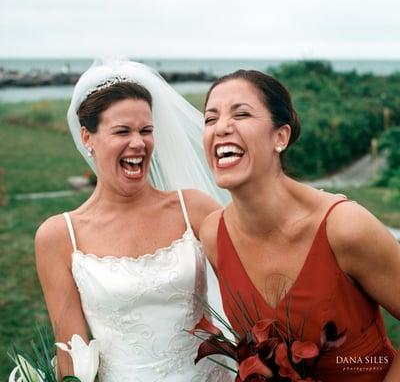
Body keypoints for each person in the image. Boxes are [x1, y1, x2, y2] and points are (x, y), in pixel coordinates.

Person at [35, 60, 232, 381]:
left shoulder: (194, 208)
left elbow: (252, 291)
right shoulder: (58, 236)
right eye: (122, 131)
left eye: (146, 130)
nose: (138, 143)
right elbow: (71, 356)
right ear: (88, 137)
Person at [200, 69, 400, 381]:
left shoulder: (344, 227)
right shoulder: (214, 234)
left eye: (241, 114)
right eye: (210, 119)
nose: (221, 127)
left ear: (280, 136)